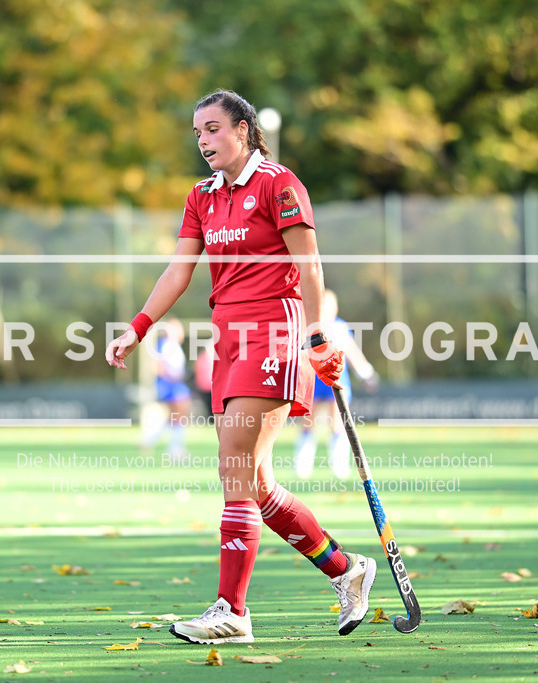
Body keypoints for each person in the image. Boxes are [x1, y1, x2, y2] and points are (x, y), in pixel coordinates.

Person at [105, 89, 376, 644]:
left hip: (275, 331)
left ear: (244, 130)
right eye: (197, 132)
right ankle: (346, 570)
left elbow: (310, 262)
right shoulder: (200, 198)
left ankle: (233, 611)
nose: (202, 141)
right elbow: (179, 271)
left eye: (212, 129)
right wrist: (138, 326)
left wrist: (320, 332)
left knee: (234, 466)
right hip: (228, 339)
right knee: (254, 481)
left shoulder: (279, 183)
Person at [294, 288, 378, 479]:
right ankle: (301, 466)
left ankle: (340, 468)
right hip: (314, 382)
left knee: (338, 423)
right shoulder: (311, 328)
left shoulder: (340, 327)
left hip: (338, 381)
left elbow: (352, 353)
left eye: (331, 305)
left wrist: (366, 373)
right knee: (308, 422)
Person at [140, 316, 192, 459]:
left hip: (175, 384)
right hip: (169, 385)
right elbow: (157, 365)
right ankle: (175, 449)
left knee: (175, 416)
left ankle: (149, 440)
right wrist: (172, 378)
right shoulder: (164, 344)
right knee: (179, 414)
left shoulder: (174, 346)